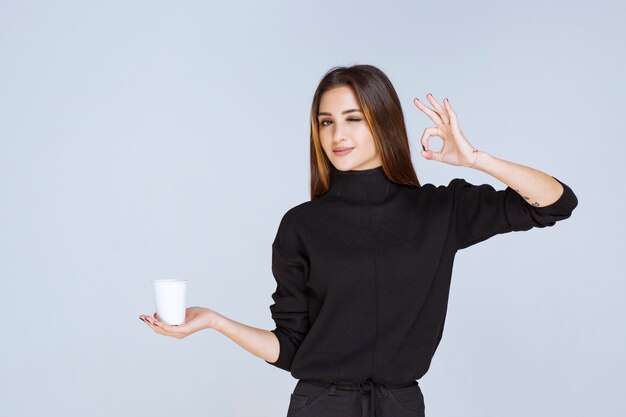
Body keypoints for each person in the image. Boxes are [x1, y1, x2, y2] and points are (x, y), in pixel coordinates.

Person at [139, 64, 578, 417]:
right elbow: (291, 347)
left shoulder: (440, 211)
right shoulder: (301, 225)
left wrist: (474, 158)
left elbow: (555, 202)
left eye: (353, 119)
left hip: (401, 405)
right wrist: (214, 321)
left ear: (382, 122)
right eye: (326, 122)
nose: (336, 135)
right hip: (319, 406)